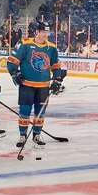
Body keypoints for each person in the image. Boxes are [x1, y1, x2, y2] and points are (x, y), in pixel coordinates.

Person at [6, 21, 63, 150]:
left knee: (40, 112)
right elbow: (12, 61)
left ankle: (37, 135)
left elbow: (55, 65)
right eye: (43, 32)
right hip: (27, 85)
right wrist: (15, 73)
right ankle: (22, 135)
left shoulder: (52, 47)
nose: (45, 34)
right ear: (36, 32)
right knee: (24, 111)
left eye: (47, 32)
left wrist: (57, 79)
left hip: (43, 86)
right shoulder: (24, 44)